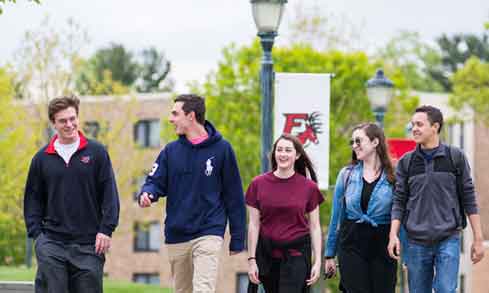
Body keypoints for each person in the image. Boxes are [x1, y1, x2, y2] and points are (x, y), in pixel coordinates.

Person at [138, 94, 246, 293]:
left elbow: (234, 196)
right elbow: (154, 181)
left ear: (191, 116)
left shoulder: (222, 149)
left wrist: (238, 237)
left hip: (209, 231)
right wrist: (148, 194)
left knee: (203, 289)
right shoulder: (170, 151)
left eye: (175, 114)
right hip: (177, 233)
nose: (171, 119)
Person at [24, 95, 120, 293]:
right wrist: (38, 237)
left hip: (89, 245)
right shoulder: (41, 159)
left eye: (72, 118)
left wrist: (106, 229)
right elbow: (32, 200)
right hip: (51, 243)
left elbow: (110, 195)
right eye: (63, 121)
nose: (69, 124)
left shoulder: (97, 152)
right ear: (53, 123)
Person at [388, 105, 485, 293]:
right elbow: (398, 201)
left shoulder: (454, 158)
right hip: (415, 242)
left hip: (448, 239)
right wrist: (393, 235)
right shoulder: (406, 163)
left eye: (419, 124)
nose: (414, 128)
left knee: (445, 289)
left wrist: (478, 239)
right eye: (413, 124)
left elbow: (469, 198)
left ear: (435, 127)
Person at [246, 133, 324, 293]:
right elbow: (254, 225)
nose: (283, 154)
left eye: (288, 150)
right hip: (267, 257)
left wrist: (317, 262)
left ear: (297, 155)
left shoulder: (308, 187)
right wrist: (252, 260)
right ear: (274, 153)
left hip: (296, 255)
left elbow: (315, 227)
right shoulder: (257, 184)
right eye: (279, 150)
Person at [324, 122, 397, 293]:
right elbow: (337, 216)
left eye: (358, 141)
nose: (354, 146)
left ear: (375, 142)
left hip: (383, 244)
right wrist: (329, 254)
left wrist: (406, 252)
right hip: (351, 243)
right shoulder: (347, 174)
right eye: (353, 142)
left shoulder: (393, 175)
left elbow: (399, 214)